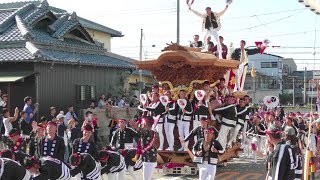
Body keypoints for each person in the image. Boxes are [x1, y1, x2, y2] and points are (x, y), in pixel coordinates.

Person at [130, 116, 159, 180]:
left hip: (148, 160)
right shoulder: (153, 132)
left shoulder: (149, 132)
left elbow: (143, 131)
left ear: (145, 123)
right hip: (147, 159)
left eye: (142, 122)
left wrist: (136, 127)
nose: (141, 124)